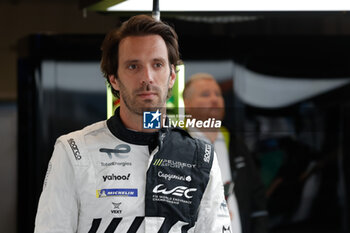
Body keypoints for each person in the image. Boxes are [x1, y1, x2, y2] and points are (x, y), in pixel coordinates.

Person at [34, 15, 231, 233]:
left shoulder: (200, 156)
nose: (147, 77)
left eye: (157, 64)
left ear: (172, 76)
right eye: (133, 66)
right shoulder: (73, 150)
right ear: (113, 79)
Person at [183, 73, 268, 233]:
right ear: (187, 104)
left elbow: (257, 195)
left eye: (218, 94)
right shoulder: (176, 145)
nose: (215, 99)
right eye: (205, 94)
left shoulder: (236, 144)